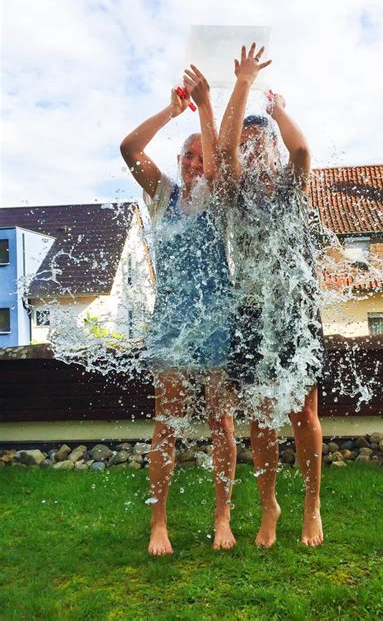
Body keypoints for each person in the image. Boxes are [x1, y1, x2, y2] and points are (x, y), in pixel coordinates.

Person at [120, 66, 237, 556]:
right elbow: (128, 149)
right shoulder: (163, 195)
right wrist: (173, 110)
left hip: (216, 320)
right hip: (171, 322)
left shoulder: (220, 195)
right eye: (185, 154)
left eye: (198, 154)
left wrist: (208, 105)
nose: (192, 162)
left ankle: (223, 518)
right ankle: (159, 523)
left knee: (221, 423)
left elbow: (221, 164)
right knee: (166, 423)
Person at [218, 43, 325, 548]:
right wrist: (242, 83)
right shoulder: (236, 197)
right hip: (253, 311)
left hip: (296, 312)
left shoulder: (292, 189)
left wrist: (277, 108)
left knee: (302, 415)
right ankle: (269, 507)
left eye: (264, 145)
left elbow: (303, 152)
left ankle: (311, 504)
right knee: (260, 416)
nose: (254, 151)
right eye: (249, 145)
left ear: (274, 153)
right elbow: (223, 152)